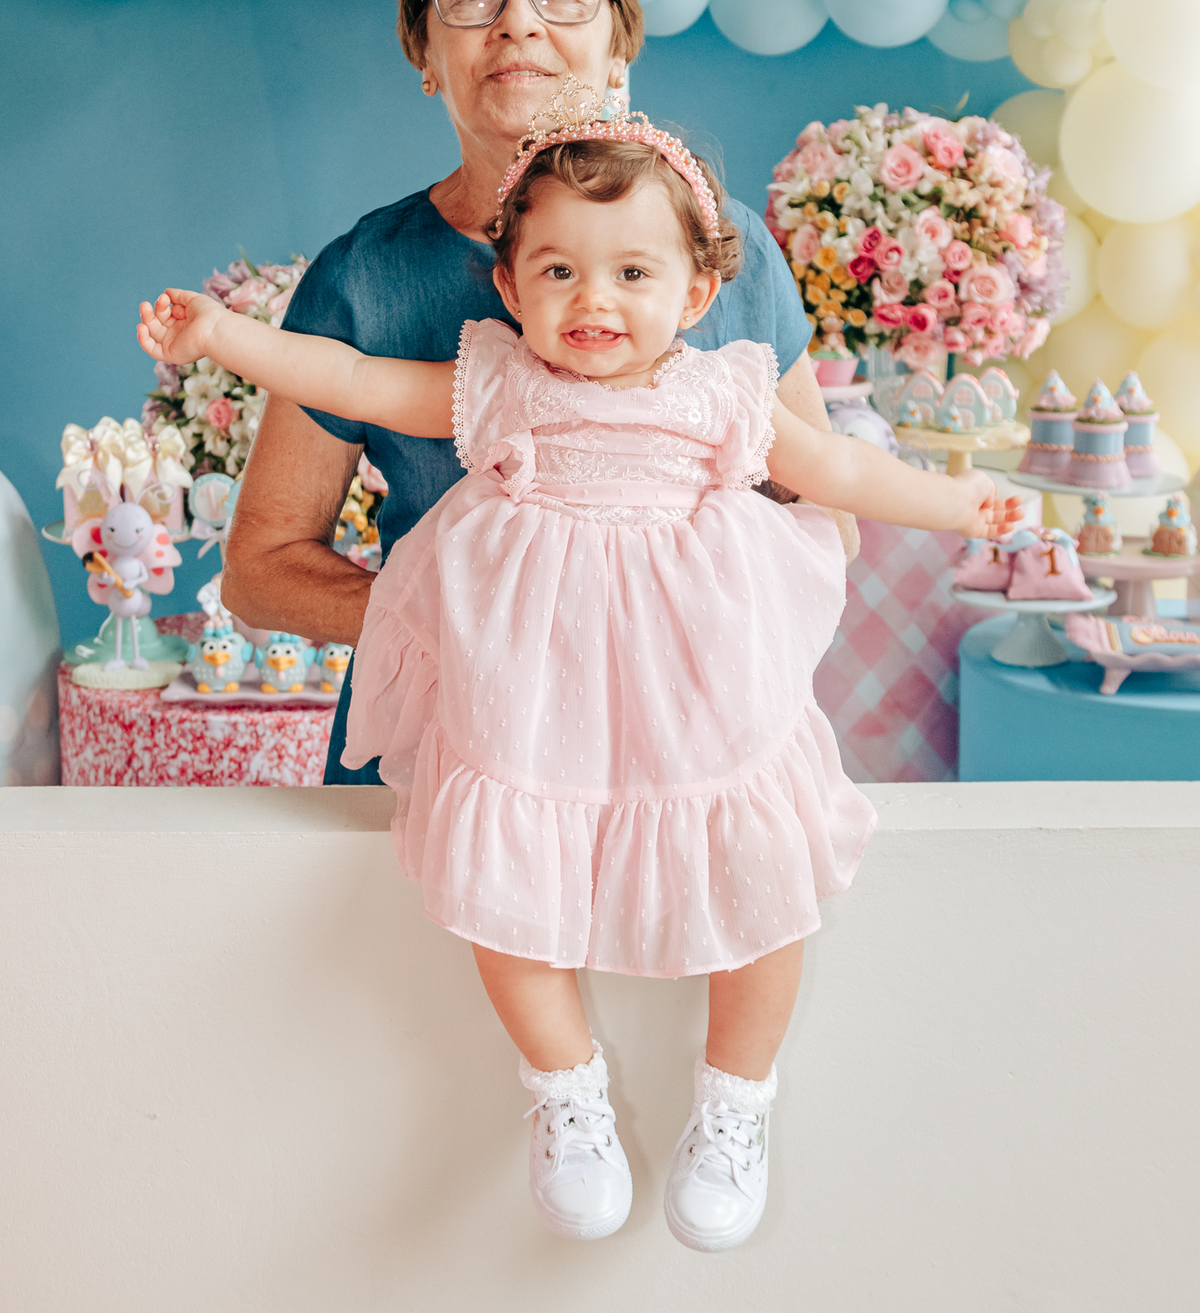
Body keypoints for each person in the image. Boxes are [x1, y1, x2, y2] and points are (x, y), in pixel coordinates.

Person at [138, 82, 1016, 1252]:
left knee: (761, 862)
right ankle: (565, 1090)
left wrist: (971, 503)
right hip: (534, 685)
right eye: (557, 272)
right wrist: (220, 338)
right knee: (503, 875)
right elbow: (346, 379)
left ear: (700, 291)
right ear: (509, 288)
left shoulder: (725, 391)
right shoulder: (496, 381)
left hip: (695, 678)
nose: (592, 299)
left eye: (632, 274)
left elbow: (843, 477)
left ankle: (736, 1099)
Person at [219, 0, 858, 800]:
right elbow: (259, 570)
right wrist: (458, 622)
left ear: (618, 47)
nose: (519, 22)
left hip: (679, 770)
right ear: (424, 53)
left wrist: (655, 630)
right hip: (437, 762)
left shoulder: (732, 253)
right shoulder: (363, 280)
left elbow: (827, 521)